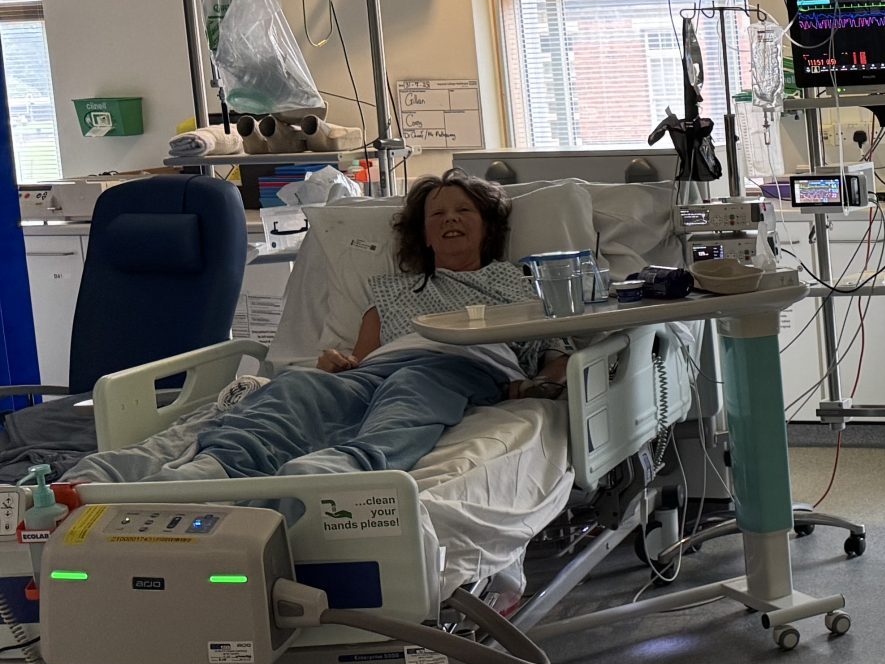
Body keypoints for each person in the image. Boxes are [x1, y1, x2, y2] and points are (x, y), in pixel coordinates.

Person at [72, 173, 572, 482]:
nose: (451, 220)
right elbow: (364, 360)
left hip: (463, 366)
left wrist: (538, 385)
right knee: (300, 389)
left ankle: (340, 472)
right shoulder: (393, 291)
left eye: (464, 210)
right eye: (437, 213)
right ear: (423, 233)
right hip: (386, 366)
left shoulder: (518, 282)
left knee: (411, 396)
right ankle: (214, 467)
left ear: (488, 224)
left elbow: (556, 352)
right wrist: (336, 364)